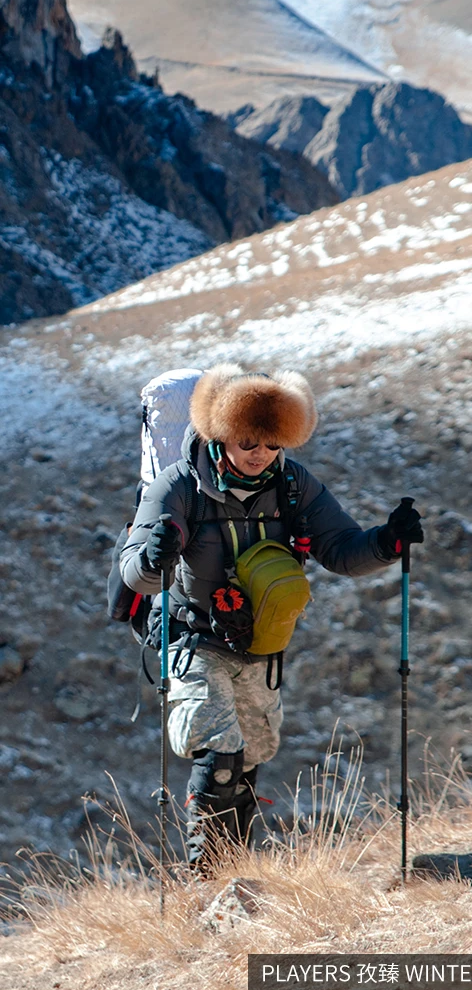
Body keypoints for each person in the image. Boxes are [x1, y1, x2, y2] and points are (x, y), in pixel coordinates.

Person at [120, 362, 423, 871]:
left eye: (271, 444)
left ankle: (233, 872)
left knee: (250, 755)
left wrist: (387, 542)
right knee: (218, 751)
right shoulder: (179, 486)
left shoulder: (293, 485)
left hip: (259, 641)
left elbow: (342, 549)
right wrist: (155, 556)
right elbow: (137, 573)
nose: (260, 454)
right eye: (248, 442)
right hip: (193, 637)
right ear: (221, 437)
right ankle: (205, 875)